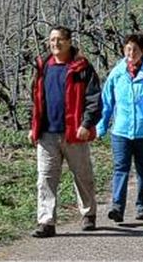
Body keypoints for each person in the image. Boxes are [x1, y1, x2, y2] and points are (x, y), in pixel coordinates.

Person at [29, 26, 103, 238]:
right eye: (52, 40)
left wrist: (86, 124)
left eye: (60, 39)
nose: (55, 44)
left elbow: (94, 99)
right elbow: (36, 98)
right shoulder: (43, 66)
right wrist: (32, 126)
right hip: (47, 134)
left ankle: (88, 214)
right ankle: (46, 221)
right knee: (45, 178)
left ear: (70, 41)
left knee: (82, 175)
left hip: (74, 133)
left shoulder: (81, 67)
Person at [97, 34, 143, 224]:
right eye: (128, 49)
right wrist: (101, 125)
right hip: (121, 130)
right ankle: (117, 207)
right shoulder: (117, 73)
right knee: (121, 168)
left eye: (135, 49)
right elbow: (107, 101)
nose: (131, 53)